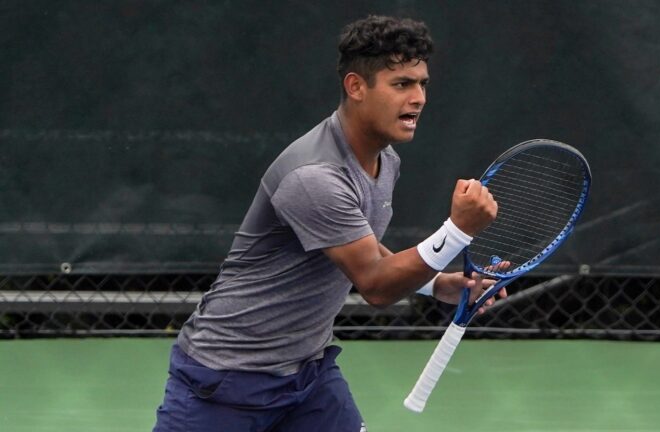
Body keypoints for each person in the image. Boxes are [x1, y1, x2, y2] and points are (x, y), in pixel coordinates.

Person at [153, 15, 504, 432]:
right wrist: (458, 230)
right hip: (227, 379)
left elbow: (363, 246)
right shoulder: (315, 176)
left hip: (307, 376)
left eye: (422, 83)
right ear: (356, 87)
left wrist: (435, 284)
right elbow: (374, 284)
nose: (418, 98)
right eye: (401, 85)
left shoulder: (384, 160)